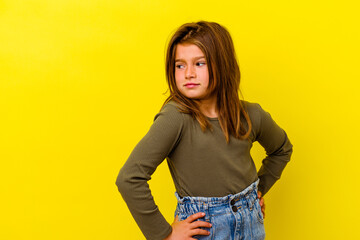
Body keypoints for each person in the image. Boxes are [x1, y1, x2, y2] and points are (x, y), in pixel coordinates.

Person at [116, 21, 293, 240]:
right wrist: (163, 234)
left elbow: (281, 149)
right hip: (204, 229)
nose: (188, 73)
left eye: (199, 64)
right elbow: (129, 178)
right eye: (180, 65)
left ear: (223, 65)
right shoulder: (175, 118)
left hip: (250, 225)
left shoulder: (251, 115)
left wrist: (256, 192)